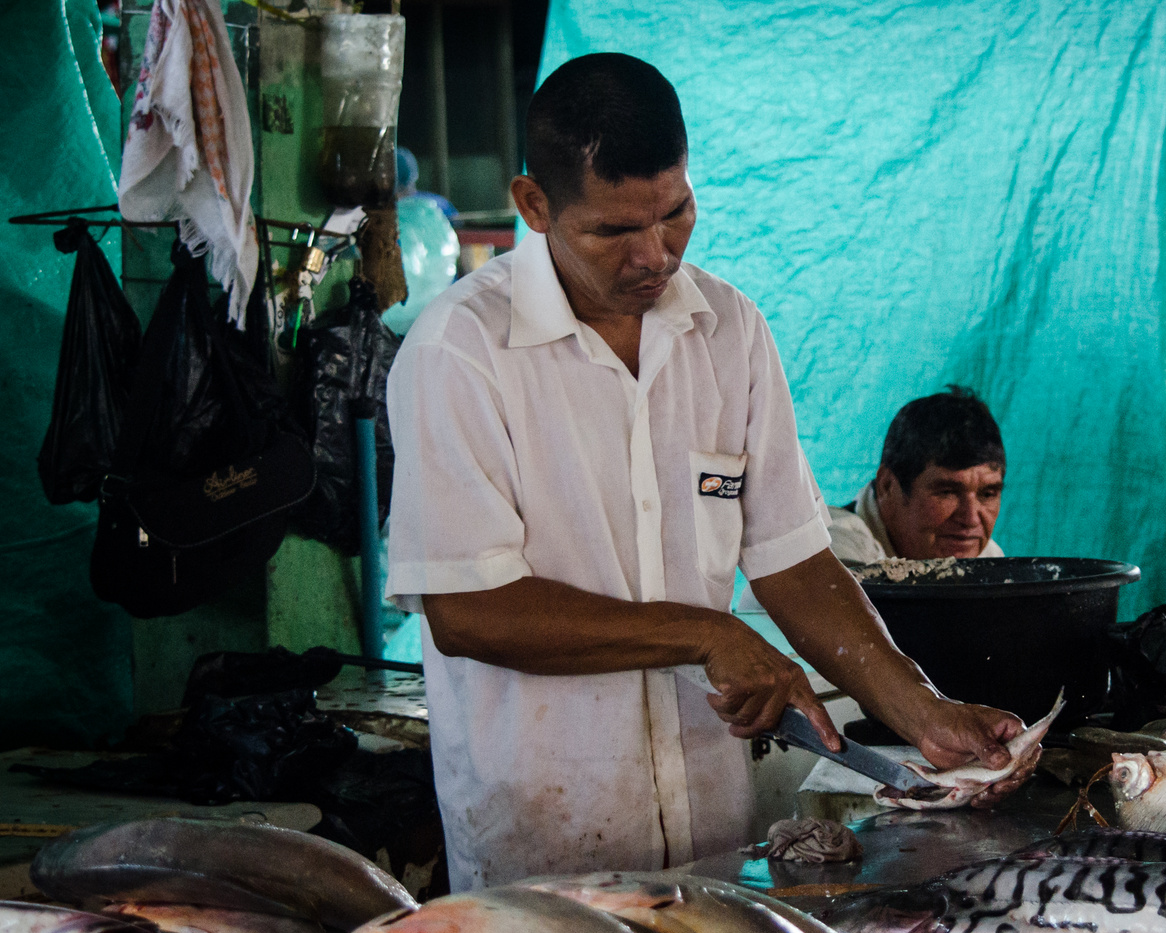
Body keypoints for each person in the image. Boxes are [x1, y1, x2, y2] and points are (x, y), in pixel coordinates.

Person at [384, 54, 1029, 890]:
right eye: (615, 231)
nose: (655, 255)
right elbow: (470, 610)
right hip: (542, 856)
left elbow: (794, 560)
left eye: (677, 213)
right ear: (535, 205)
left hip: (717, 839)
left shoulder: (729, 331)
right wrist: (708, 632)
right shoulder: (458, 351)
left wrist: (922, 710)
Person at [827, 386, 1006, 563]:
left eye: (988, 494)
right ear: (887, 486)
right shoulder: (832, 551)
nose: (971, 520)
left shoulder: (987, 557)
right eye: (947, 492)